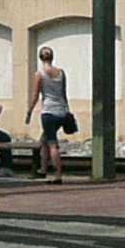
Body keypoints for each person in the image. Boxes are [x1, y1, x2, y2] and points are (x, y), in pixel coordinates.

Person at [33, 46, 74, 184]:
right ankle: (43, 169)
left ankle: (58, 175)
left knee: (53, 144)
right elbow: (64, 92)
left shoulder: (39, 74)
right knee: (44, 140)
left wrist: (29, 111)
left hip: (48, 112)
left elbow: (35, 94)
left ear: (40, 58)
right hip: (61, 111)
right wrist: (67, 109)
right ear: (52, 57)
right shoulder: (61, 73)